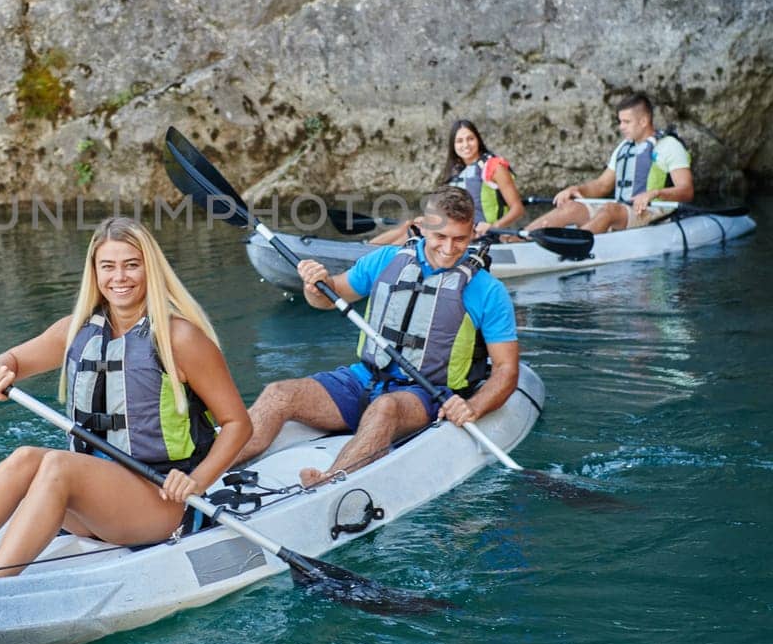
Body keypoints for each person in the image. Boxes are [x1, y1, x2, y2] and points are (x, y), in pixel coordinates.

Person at [0, 217, 252, 584]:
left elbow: (237, 424)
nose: (120, 277)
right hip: (93, 509)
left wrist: (196, 480)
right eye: (108, 266)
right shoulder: (76, 329)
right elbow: (16, 359)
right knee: (25, 457)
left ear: (151, 269)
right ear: (94, 272)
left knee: (57, 465)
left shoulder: (180, 339)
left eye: (132, 264)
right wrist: (1, 367)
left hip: (159, 502)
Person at [234, 187, 520, 487]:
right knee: (279, 393)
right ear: (422, 226)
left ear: (473, 233)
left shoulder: (488, 290)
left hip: (425, 394)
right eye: (440, 237)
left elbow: (506, 370)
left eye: (459, 239)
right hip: (363, 378)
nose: (449, 249)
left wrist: (472, 407)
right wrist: (315, 285)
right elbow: (329, 297)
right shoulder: (386, 259)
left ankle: (329, 483)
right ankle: (207, 468)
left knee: (385, 408)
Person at [523, 92, 694, 235]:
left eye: (626, 122)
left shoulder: (669, 146)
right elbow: (602, 185)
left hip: (654, 211)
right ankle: (520, 238)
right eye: (620, 121)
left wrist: (654, 193)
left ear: (643, 121)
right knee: (572, 206)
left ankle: (575, 245)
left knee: (610, 209)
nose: (621, 127)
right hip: (623, 209)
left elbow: (686, 191)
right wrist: (577, 190)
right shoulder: (624, 147)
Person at [370, 119, 526, 244]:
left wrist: (494, 227)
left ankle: (376, 258)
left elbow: (517, 209)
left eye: (470, 139)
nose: (465, 145)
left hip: (484, 235)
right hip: (453, 230)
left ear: (478, 140)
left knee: (415, 233)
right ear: (453, 145)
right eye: (459, 141)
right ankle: (365, 249)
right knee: (410, 225)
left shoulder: (494, 166)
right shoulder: (456, 171)